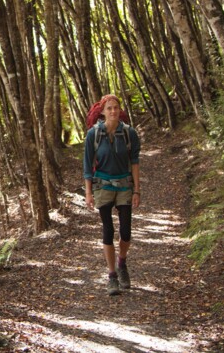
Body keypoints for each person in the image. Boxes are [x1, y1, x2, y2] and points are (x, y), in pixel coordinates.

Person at [83, 94, 141, 295]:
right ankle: (112, 276)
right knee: (108, 230)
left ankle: (122, 263)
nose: (113, 111)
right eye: (109, 108)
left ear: (120, 110)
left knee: (125, 231)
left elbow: (135, 163)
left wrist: (136, 190)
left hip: (124, 184)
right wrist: (88, 192)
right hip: (102, 186)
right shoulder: (93, 135)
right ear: (102, 112)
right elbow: (88, 165)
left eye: (116, 108)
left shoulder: (129, 133)